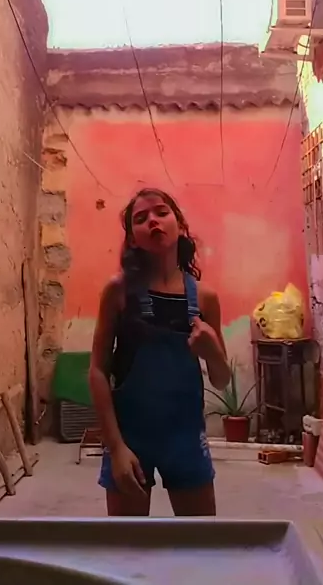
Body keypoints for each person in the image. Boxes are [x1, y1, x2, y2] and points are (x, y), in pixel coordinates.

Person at [89, 187, 231, 517]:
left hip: (185, 439)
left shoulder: (205, 299)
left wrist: (212, 351)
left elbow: (222, 379)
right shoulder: (118, 292)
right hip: (130, 437)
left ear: (179, 224)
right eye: (141, 218)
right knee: (130, 545)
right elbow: (97, 371)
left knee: (200, 540)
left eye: (161, 212)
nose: (153, 220)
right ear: (133, 238)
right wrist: (116, 448)